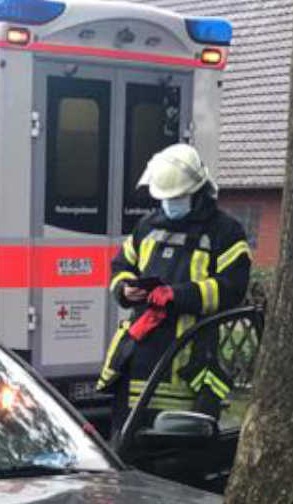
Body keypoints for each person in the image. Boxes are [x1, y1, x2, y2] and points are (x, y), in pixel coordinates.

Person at [97, 143, 253, 436]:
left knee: (178, 448)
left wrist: (178, 295)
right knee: (127, 444)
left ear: (196, 191)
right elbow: (120, 266)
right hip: (139, 358)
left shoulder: (225, 232)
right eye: (166, 198)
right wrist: (125, 289)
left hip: (188, 359)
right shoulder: (147, 226)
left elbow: (233, 288)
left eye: (177, 197)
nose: (171, 204)